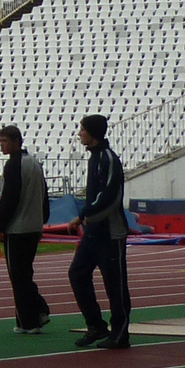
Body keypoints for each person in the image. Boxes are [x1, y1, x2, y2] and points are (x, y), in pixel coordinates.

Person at [67, 114, 132, 350]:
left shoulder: (108, 159)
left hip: (110, 234)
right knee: (77, 274)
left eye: (82, 129)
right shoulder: (95, 158)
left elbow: (110, 197)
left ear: (93, 132)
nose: (79, 133)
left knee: (115, 285)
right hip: (93, 232)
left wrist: (84, 215)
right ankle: (96, 325)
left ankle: (120, 333)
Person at [0, 124, 51, 335]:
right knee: (25, 273)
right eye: (0, 141)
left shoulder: (14, 165)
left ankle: (29, 320)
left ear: (16, 141)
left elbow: (10, 198)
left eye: (5, 141)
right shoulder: (34, 163)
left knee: (18, 276)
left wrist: (0, 224)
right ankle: (37, 311)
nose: (1, 145)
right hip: (34, 226)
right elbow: (44, 193)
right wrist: (43, 218)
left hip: (18, 228)